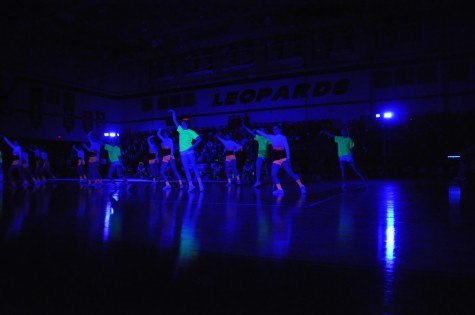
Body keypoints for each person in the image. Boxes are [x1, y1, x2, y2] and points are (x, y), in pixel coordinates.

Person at [256, 124, 306, 195]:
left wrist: (288, 158)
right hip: (276, 159)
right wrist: (256, 130)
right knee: (273, 174)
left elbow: (287, 147)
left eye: (276, 128)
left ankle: (301, 186)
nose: (274, 130)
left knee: (290, 173)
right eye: (274, 129)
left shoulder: (283, 137)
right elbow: (263, 134)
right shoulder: (272, 137)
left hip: (284, 158)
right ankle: (280, 189)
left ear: (280, 130)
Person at [168, 109, 204, 192]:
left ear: (187, 124)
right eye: (182, 123)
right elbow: (174, 120)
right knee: (186, 168)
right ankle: (191, 185)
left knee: (194, 167)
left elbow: (199, 139)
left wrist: (193, 147)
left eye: (184, 123)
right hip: (182, 152)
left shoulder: (191, 132)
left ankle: (200, 184)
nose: (182, 124)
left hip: (190, 151)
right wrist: (174, 112)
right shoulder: (180, 131)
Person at [242, 122, 271, 187]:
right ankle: (258, 181)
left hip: (265, 154)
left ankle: (263, 181)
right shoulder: (260, 137)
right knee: (258, 167)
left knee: (265, 168)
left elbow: (273, 145)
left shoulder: (266, 137)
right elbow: (251, 133)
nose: (260, 131)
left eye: (262, 130)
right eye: (260, 130)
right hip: (262, 154)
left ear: (265, 131)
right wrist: (246, 128)